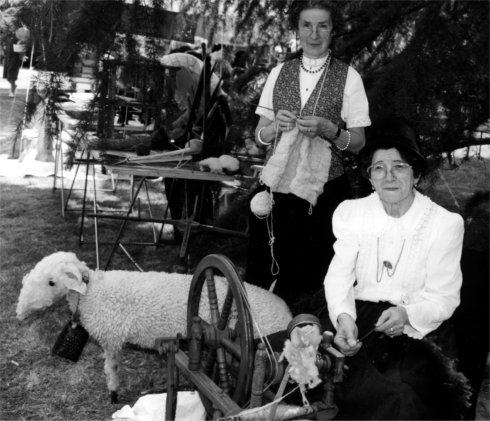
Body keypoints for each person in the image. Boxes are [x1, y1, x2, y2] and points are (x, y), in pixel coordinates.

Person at [323, 116, 470, 419]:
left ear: (416, 175)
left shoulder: (444, 224)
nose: (388, 176)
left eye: (399, 166)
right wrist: (343, 317)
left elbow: (444, 299)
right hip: (359, 316)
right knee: (309, 364)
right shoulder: (352, 213)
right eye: (379, 168)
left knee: (397, 394)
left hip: (417, 328)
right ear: (370, 177)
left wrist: (406, 314)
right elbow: (339, 276)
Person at [246, 0, 370, 314]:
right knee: (263, 267)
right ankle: (259, 328)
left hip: (324, 193)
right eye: (307, 25)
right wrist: (274, 127)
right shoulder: (279, 73)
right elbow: (259, 136)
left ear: (332, 30)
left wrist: (331, 130)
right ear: (298, 30)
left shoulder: (349, 78)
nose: (314, 34)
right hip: (277, 188)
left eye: (322, 26)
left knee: (308, 277)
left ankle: (303, 334)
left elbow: (358, 144)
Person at [2, 31, 24, 97]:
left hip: (15, 58)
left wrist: (19, 45)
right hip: (7, 58)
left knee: (12, 76)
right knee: (6, 76)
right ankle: (14, 86)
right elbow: (3, 43)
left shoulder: (19, 36)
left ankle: (12, 91)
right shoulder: (7, 36)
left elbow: (21, 50)